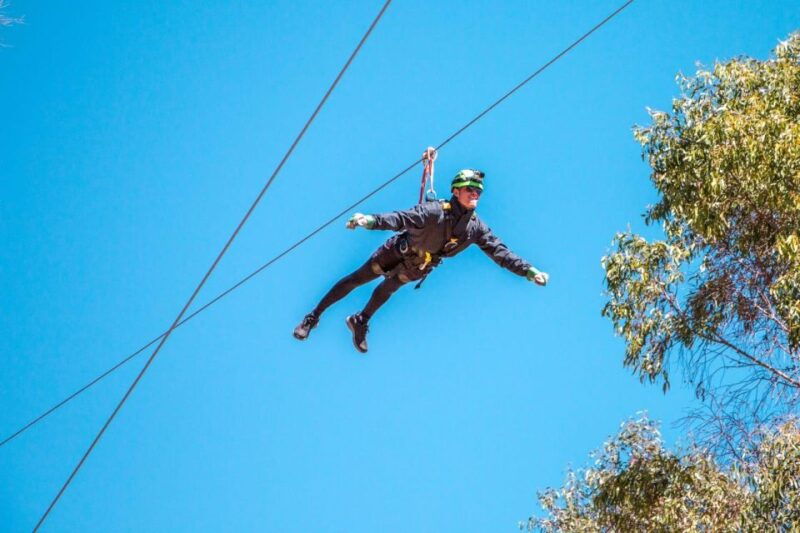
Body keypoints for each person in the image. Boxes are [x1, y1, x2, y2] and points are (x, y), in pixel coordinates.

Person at [293, 169, 549, 353]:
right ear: (456, 191)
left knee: (387, 290)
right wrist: (368, 220)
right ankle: (312, 318)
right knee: (357, 279)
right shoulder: (434, 211)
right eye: (470, 189)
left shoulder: (476, 228)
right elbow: (399, 218)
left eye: (478, 191)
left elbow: (500, 252)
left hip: (418, 266)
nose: (475, 194)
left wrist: (528, 271)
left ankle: (360, 321)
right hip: (398, 251)